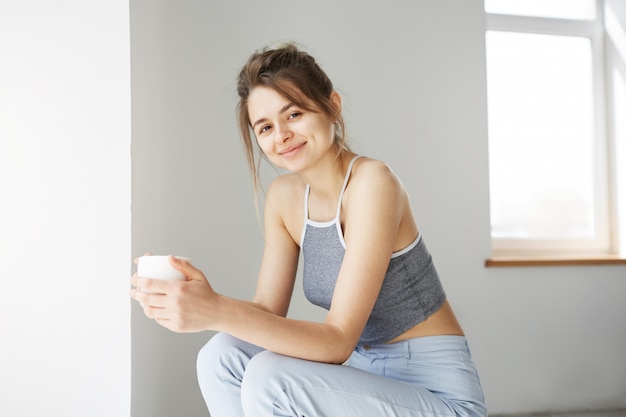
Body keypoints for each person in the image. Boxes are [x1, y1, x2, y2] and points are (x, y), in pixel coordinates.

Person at [130, 42, 487, 417]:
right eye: (265, 127)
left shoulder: (372, 183)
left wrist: (216, 309)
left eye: (294, 114)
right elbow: (268, 312)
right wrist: (192, 297)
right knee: (221, 354)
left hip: (438, 396)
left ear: (333, 106)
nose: (281, 135)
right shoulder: (284, 199)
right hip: (364, 384)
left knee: (271, 377)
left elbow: (337, 342)